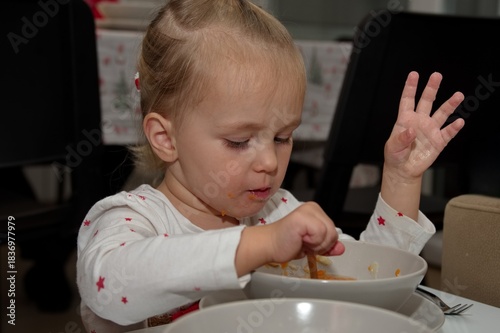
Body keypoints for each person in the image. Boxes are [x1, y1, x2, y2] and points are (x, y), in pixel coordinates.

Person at [76, 0, 465, 331]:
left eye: (282, 137)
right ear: (166, 138)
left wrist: (400, 179)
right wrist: (257, 245)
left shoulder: (276, 212)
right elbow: (109, 289)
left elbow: (365, 284)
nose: (268, 161)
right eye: (239, 141)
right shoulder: (133, 219)